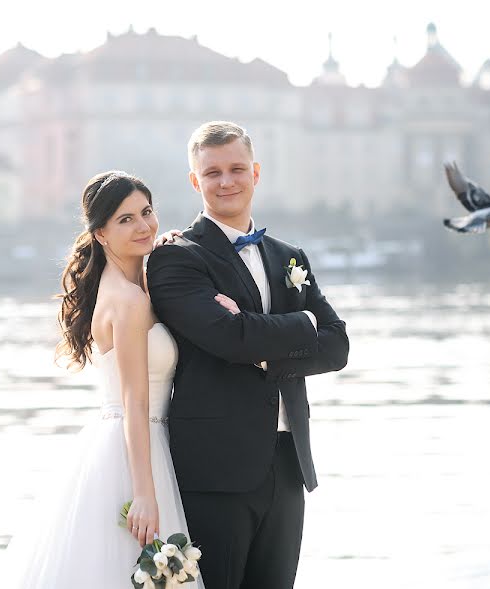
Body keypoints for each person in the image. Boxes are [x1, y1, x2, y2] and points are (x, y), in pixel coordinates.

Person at [147, 121, 349, 588]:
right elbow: (227, 338)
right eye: (212, 172)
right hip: (215, 466)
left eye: (237, 168)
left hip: (288, 460)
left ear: (255, 173)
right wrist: (302, 327)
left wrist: (262, 352)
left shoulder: (289, 256)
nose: (226, 181)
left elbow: (336, 346)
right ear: (195, 181)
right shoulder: (177, 257)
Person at [1, 171, 205, 588]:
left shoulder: (133, 286)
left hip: (132, 441)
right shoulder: (127, 301)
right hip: (133, 452)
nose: (143, 226)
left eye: (146, 213)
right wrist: (145, 496)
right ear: (101, 235)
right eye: (125, 220)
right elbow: (135, 401)